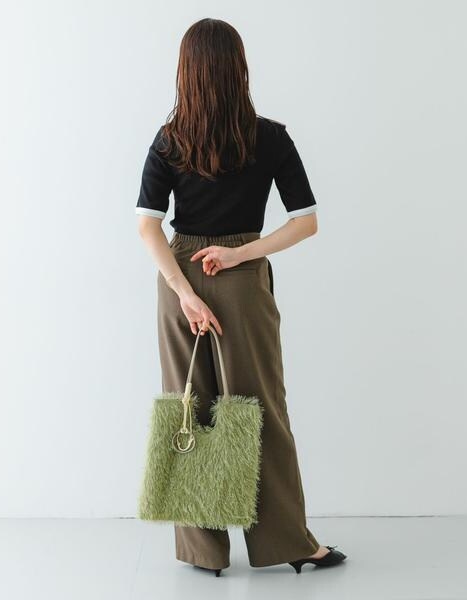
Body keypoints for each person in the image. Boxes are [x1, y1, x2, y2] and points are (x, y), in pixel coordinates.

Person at [135, 17, 347, 575]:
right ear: (239, 69)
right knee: (259, 408)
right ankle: (289, 543)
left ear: (186, 71)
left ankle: (203, 553)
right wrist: (240, 254)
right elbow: (306, 222)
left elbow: (147, 226)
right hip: (242, 283)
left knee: (190, 407)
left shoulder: (170, 138)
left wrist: (184, 293)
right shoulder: (269, 137)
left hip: (178, 278)